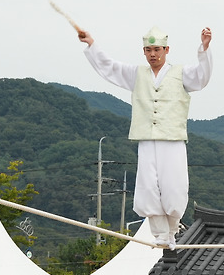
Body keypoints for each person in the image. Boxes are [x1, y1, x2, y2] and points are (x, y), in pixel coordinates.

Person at [78, 25, 214, 245]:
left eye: (157, 49)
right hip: (147, 138)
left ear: (167, 50)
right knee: (148, 185)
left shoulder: (181, 74)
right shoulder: (136, 74)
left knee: (174, 185)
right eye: (149, 49)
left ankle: (172, 231)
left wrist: (204, 49)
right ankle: (160, 234)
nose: (153, 54)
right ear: (144, 51)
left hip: (172, 139)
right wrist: (92, 44)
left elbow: (202, 77)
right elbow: (109, 67)